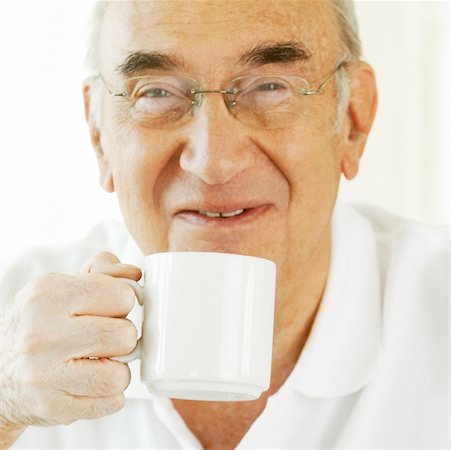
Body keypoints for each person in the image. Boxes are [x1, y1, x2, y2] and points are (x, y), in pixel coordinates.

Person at [0, 1, 448, 449]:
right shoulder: (14, 323)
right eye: (155, 92)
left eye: (271, 87)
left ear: (353, 118)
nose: (213, 162)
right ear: (99, 133)